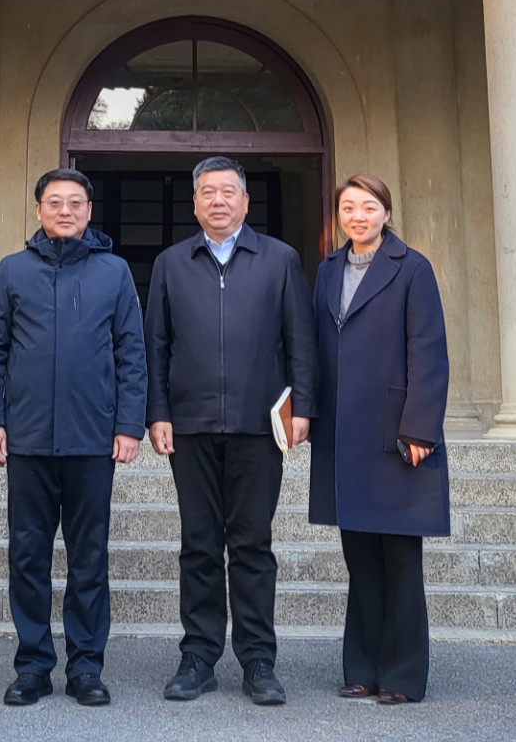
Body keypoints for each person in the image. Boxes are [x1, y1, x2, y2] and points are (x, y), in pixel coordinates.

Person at [145, 155, 315, 706]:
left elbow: (300, 342)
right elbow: (155, 346)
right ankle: (198, 656)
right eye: (208, 193)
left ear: (245, 201)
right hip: (189, 426)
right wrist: (157, 412)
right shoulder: (172, 263)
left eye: (228, 192)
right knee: (198, 544)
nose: (218, 201)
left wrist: (303, 408)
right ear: (194, 203)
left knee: (251, 545)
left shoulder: (279, 259)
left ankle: (258, 659)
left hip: (256, 426)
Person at [0, 167, 146, 708]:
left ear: (89, 211)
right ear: (39, 210)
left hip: (94, 442)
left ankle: (87, 668)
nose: (65, 210)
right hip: (26, 441)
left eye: (75, 202)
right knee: (27, 556)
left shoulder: (114, 273)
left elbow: (131, 355)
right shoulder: (11, 271)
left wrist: (128, 425)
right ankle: (32, 667)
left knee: (89, 558)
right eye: (55, 202)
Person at [307, 174, 450, 705]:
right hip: (344, 432)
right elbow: (314, 344)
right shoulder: (326, 271)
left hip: (395, 433)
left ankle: (404, 675)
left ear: (386, 213)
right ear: (338, 216)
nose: (358, 216)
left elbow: (429, 350)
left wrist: (419, 425)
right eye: (348, 207)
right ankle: (361, 667)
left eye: (369, 207)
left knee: (400, 559)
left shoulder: (412, 268)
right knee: (360, 555)